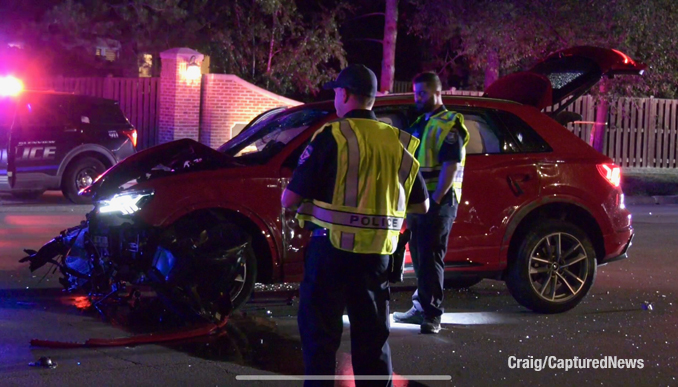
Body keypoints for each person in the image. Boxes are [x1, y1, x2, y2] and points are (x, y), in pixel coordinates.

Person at [281, 64, 429, 386]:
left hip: (330, 252)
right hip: (377, 257)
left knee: (320, 338)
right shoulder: (396, 142)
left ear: (345, 95)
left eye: (337, 92)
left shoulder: (332, 136)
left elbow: (289, 200)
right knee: (372, 339)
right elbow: (422, 204)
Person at [393, 71, 469, 334]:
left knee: (431, 257)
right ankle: (420, 307)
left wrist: (434, 201)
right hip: (420, 204)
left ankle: (432, 315)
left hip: (438, 203)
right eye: (416, 93)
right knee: (421, 257)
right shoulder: (421, 122)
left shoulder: (449, 125)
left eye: (421, 93)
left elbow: (450, 166)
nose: (417, 98)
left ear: (437, 93)